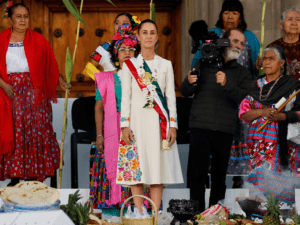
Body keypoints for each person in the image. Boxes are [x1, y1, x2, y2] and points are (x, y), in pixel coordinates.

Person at [181, 28, 252, 212]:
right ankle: (196, 216)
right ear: (224, 42)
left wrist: (227, 83)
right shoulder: (203, 63)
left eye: (242, 44)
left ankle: (215, 214)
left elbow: (242, 97)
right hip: (200, 125)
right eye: (235, 41)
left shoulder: (242, 72)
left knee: (220, 177)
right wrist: (189, 81)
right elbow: (186, 91)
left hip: (224, 129)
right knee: (198, 174)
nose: (238, 46)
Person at [118, 19, 184, 216]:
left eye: (152, 32)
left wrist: (173, 125)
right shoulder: (129, 65)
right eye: (144, 32)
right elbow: (126, 98)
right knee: (136, 170)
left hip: (159, 124)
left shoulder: (166, 65)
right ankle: (139, 214)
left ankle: (154, 214)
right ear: (137, 37)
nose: (148, 36)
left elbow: (171, 98)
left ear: (157, 37)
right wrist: (125, 125)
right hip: (136, 123)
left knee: (157, 170)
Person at [191, 0, 260, 188]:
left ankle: (239, 181)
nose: (230, 16)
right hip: (213, 96)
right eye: (227, 12)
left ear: (241, 17)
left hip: (239, 98)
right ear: (221, 15)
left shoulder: (250, 37)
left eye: (235, 13)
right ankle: (207, 182)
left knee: (240, 138)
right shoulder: (211, 34)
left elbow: (255, 70)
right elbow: (197, 61)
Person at [0, 4, 70, 185]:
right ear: (10, 19)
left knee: (35, 132)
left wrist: (61, 81)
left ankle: (33, 177)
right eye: (18, 16)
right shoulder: (1, 40)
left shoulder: (38, 39)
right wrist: (4, 85)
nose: (23, 20)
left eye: (25, 16)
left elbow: (49, 65)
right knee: (16, 132)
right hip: (11, 93)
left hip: (35, 94)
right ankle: (15, 178)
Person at [90, 23, 154, 215]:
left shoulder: (145, 76)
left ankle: (138, 210)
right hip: (111, 131)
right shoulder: (105, 78)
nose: (127, 53)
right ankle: (111, 212)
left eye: (131, 49)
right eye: (123, 49)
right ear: (115, 55)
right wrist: (100, 134)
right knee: (111, 167)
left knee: (137, 166)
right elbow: (99, 108)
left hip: (137, 129)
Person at [240, 46, 300, 204]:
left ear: (281, 63)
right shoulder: (255, 85)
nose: (266, 62)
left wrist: (283, 116)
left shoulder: (291, 85)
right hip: (257, 141)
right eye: (264, 59)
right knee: (259, 178)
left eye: (271, 59)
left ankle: (280, 214)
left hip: (283, 138)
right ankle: (258, 213)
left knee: (281, 179)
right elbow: (243, 113)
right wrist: (262, 112)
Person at [257, 8, 300, 80]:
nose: (294, 23)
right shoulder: (272, 47)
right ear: (281, 24)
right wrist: (260, 64)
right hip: (279, 89)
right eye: (290, 19)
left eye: (298, 19)